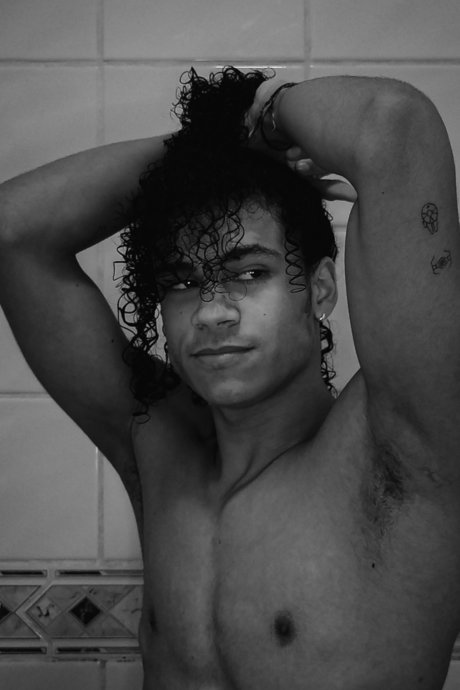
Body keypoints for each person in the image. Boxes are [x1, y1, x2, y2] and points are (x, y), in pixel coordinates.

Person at [0, 66, 459, 690]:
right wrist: (213, 144)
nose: (212, 313)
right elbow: (14, 231)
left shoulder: (402, 447)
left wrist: (263, 118)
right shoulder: (159, 450)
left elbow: (393, 123)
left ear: (320, 290)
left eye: (248, 273)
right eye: (183, 282)